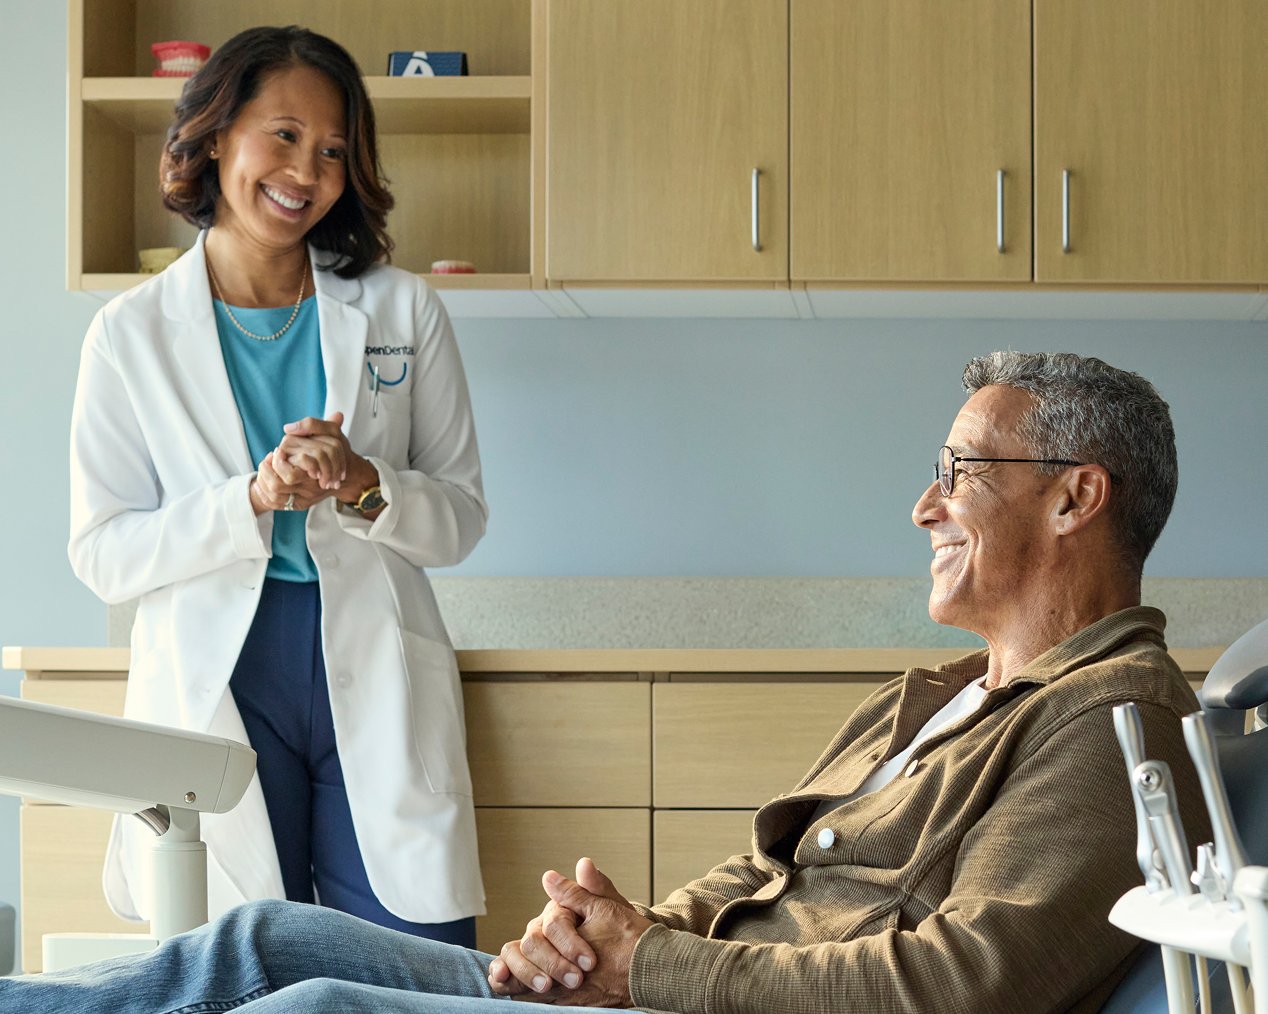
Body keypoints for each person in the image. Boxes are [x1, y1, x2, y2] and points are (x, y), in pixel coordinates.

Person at [23, 351, 1209, 1012]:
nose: (923, 504)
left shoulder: (1113, 718)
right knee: (270, 940)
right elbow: (760, 874)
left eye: (958, 469)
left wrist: (649, 965)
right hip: (675, 995)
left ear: (1074, 496)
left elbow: (964, 986)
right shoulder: (939, 694)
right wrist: (593, 945)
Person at [66, 27, 487, 945]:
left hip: (371, 663)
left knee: (418, 968)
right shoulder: (129, 334)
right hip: (223, 674)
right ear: (217, 134)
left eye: (335, 149)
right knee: (241, 960)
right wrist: (247, 501)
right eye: (285, 134)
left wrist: (363, 484)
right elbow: (104, 552)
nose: (309, 169)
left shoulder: (400, 308)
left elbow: (457, 518)